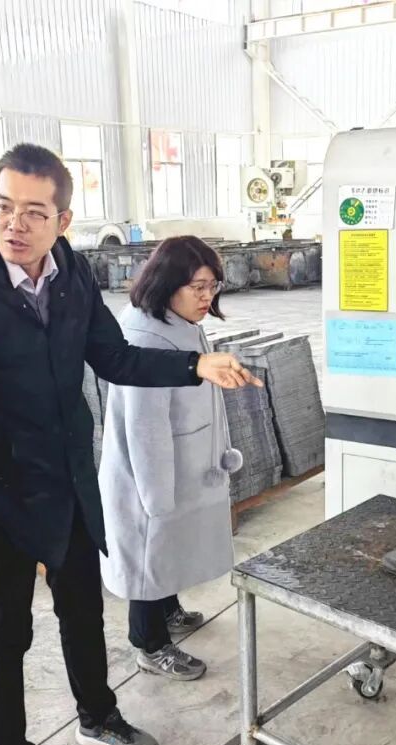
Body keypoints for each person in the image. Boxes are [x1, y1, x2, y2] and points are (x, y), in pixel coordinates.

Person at [0, 143, 259, 745]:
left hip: (70, 480)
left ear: (63, 221)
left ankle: (98, 716)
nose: (14, 224)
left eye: (33, 212)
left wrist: (194, 367)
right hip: (0, 496)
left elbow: (114, 357)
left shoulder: (69, 273)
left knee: (82, 609)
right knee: (6, 634)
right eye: (2, 207)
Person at [99, 236, 242, 681]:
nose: (206, 296)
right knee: (150, 551)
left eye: (213, 286)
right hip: (150, 472)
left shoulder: (181, 320)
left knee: (170, 547)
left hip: (181, 461)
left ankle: (168, 608)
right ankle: (149, 643)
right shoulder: (145, 335)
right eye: (197, 287)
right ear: (167, 283)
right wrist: (155, 497)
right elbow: (145, 430)